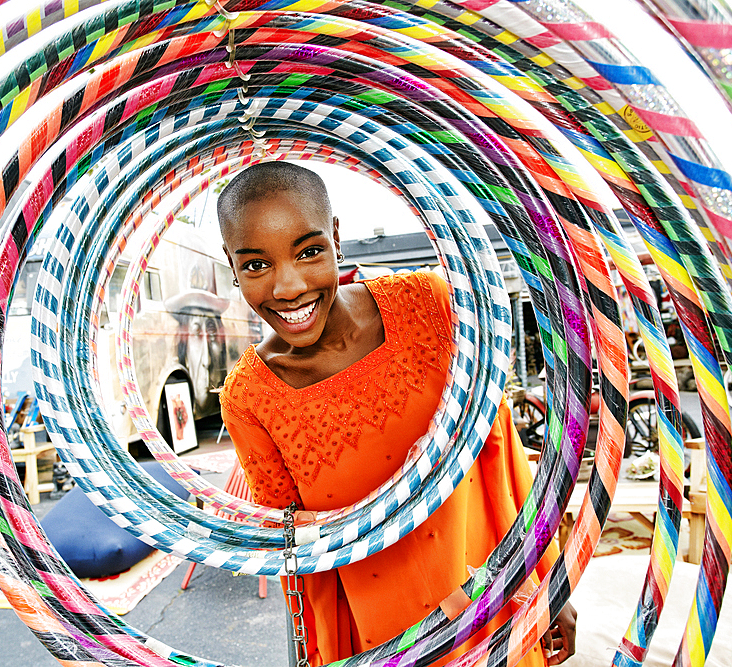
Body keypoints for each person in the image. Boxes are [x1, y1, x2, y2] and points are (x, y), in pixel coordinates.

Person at [217, 162, 576, 666]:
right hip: (382, 643)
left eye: (310, 252)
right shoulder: (250, 397)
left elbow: (501, 452)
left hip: (494, 608)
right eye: (256, 265)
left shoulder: (429, 304)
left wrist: (550, 574)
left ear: (337, 238)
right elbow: (297, 553)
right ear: (230, 266)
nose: (289, 287)